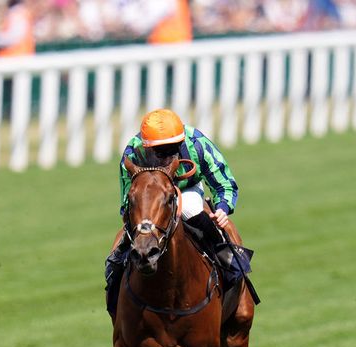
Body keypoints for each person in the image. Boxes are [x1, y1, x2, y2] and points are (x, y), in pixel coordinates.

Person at [105, 108, 250, 315]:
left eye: (174, 148)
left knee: (190, 208)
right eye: (161, 151)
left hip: (186, 188)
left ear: (182, 141)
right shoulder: (132, 153)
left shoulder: (197, 143)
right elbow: (128, 201)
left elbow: (224, 182)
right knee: (123, 246)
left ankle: (231, 267)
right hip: (150, 196)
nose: (168, 155)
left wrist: (222, 209)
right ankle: (114, 284)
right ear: (146, 146)